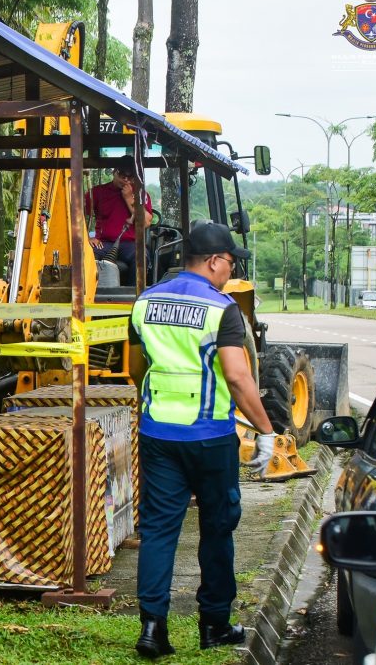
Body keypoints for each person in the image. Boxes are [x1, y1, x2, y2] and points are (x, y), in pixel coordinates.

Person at [127, 221, 276, 659]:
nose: (230, 271)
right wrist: (265, 431)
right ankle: (214, 625)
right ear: (213, 261)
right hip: (210, 437)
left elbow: (139, 367)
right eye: (230, 262)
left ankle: (152, 630)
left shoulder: (144, 302)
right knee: (216, 528)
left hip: (157, 433)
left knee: (157, 530)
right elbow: (237, 376)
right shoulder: (221, 309)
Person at [85, 154, 153, 285]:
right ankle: (89, 294)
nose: (126, 180)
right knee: (86, 254)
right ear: (114, 172)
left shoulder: (141, 194)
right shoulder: (98, 192)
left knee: (141, 257)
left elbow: (145, 222)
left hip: (131, 244)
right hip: (104, 243)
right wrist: (87, 237)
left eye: (130, 177)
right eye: (122, 176)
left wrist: (129, 199)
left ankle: (134, 296)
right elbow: (75, 214)